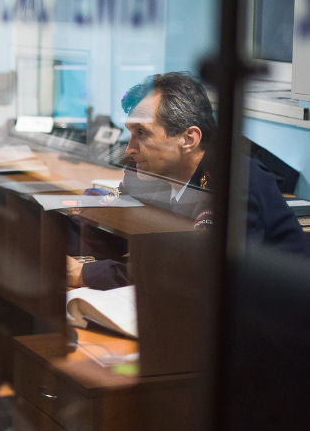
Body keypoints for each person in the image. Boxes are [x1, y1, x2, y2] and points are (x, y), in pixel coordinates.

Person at [67, 72, 309, 290]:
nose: (129, 148)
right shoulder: (145, 172)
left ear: (189, 139)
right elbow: (112, 225)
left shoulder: (234, 182)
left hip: (274, 311)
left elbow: (200, 272)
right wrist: (78, 263)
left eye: (142, 133)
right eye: (131, 132)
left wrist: (87, 274)